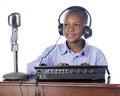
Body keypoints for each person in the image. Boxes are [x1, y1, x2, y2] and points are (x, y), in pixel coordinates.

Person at [27, 6, 108, 76]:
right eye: (66, 25)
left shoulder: (96, 53)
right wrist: (51, 69)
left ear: (86, 30)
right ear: (61, 28)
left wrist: (92, 70)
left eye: (77, 25)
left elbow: (105, 76)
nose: (70, 29)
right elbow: (30, 68)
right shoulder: (51, 51)